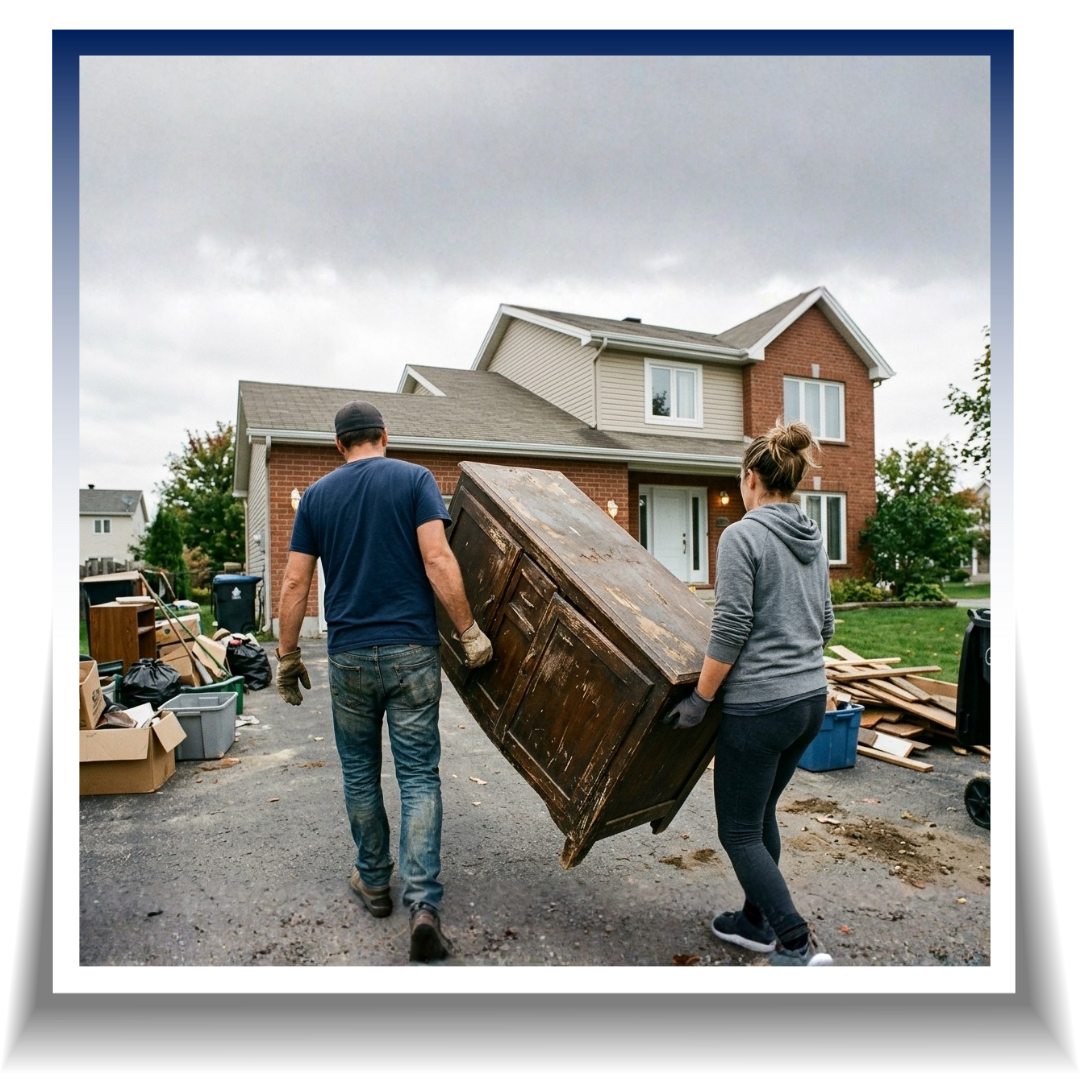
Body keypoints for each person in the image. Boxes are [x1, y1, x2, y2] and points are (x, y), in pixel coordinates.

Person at [274, 399, 493, 964]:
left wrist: (288, 655)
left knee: (359, 772)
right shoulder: (415, 480)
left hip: (348, 655)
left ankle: (373, 881)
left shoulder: (318, 496)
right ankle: (423, 904)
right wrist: (468, 631)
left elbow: (296, 582)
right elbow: (439, 560)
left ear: (338, 446)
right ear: (384, 436)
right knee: (419, 775)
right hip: (411, 651)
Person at [662, 420, 836, 967]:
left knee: (738, 830)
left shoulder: (742, 534)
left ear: (751, 479)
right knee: (760, 817)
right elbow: (826, 625)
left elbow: (731, 626)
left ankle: (795, 944)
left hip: (761, 707)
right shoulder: (813, 536)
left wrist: (701, 700)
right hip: (810, 700)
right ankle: (755, 923)